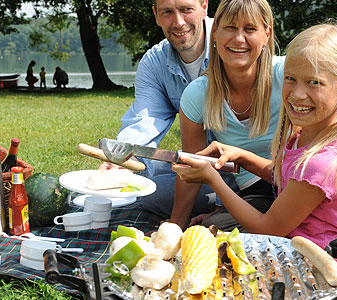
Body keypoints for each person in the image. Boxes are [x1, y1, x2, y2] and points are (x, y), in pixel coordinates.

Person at [169, 0, 337, 230]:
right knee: (213, 226)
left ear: (267, 34)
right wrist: (175, 225)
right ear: (214, 33)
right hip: (271, 181)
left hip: (306, 181)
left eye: (250, 29)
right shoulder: (198, 93)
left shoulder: (291, 70)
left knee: (223, 231)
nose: (239, 39)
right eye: (231, 28)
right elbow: (192, 164)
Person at [99, 0, 239, 220]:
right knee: (139, 168)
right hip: (198, 161)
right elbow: (145, 119)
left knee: (151, 194)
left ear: (204, 6)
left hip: (242, 170)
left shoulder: (233, 46)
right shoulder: (154, 62)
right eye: (167, 12)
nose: (178, 22)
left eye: (186, 9)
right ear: (155, 15)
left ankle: (230, 205)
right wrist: (120, 156)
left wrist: (223, 206)